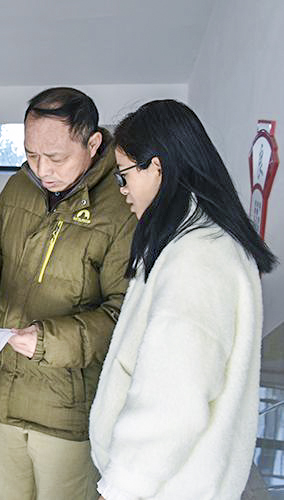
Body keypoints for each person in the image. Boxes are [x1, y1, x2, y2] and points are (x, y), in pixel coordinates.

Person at [0, 87, 137, 500]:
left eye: (56, 158)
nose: (42, 169)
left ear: (93, 143)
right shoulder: (20, 186)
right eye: (31, 154)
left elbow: (122, 313)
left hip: (67, 409)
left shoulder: (121, 205)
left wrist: (47, 341)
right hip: (6, 397)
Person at [89, 100, 277, 500]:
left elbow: (173, 402)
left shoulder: (197, 258)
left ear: (156, 167)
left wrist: (120, 488)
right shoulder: (198, 241)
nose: (122, 191)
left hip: (161, 488)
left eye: (124, 175)